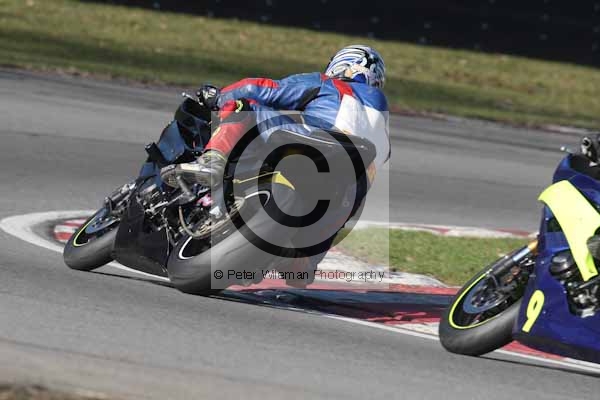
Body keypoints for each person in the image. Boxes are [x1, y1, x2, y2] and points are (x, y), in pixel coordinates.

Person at [161, 44, 390, 286]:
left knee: (244, 105)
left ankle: (213, 159)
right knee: (342, 215)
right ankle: (298, 261)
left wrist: (218, 98)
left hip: (310, 144)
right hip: (345, 189)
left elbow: (264, 89)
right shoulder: (383, 127)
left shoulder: (331, 85)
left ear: (342, 65)